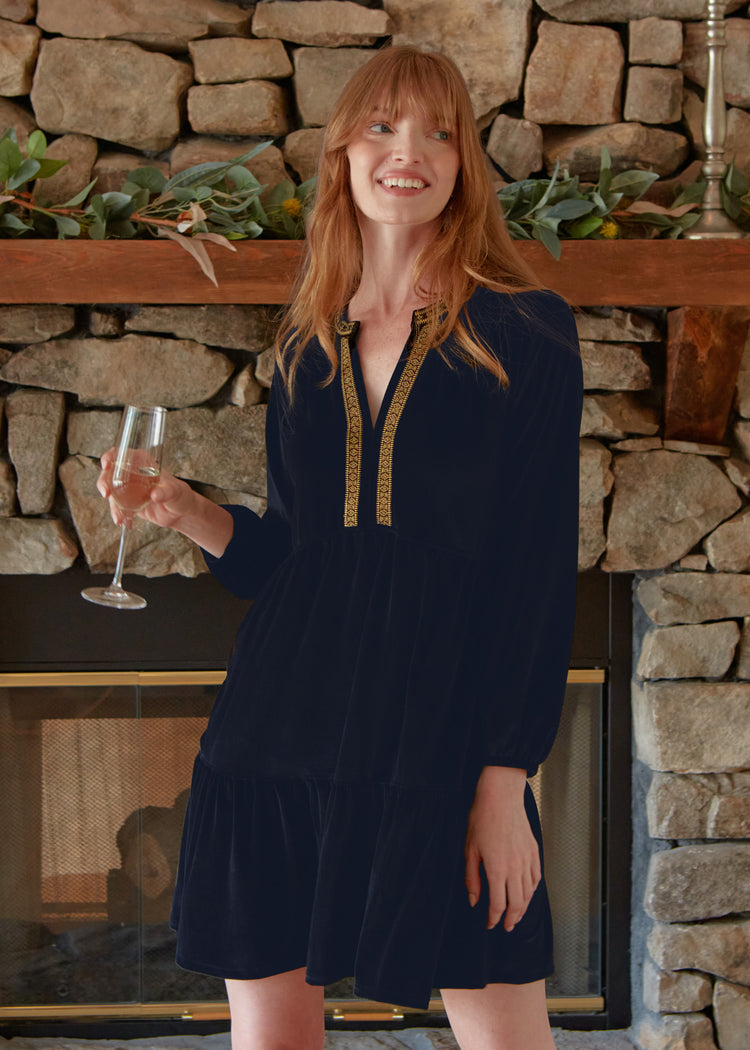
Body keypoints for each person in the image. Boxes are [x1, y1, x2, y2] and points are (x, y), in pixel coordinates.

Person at [97, 44, 583, 1050]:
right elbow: (289, 564)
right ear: (342, 154)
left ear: (464, 164)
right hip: (279, 728)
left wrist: (506, 777)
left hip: (442, 744)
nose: (409, 153)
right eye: (383, 128)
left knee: (507, 1033)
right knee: (271, 1035)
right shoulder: (307, 341)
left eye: (438, 134)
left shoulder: (527, 333)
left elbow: (535, 573)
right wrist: (185, 511)